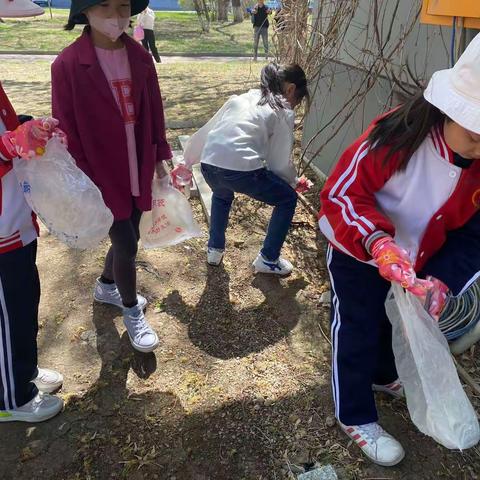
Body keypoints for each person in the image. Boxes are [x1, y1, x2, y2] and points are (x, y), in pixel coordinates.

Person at [319, 33, 480, 466]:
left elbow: (473, 236)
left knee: (394, 321)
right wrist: (378, 242)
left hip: (417, 260)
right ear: (448, 109)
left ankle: (382, 375)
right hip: (358, 248)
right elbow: (342, 195)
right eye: (475, 132)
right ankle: (354, 413)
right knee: (356, 324)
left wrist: (442, 280)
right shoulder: (398, 136)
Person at [52, 0, 172, 353]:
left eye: (122, 6)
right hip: (100, 168)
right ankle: (132, 310)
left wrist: (160, 158)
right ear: (84, 11)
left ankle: (107, 285)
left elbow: (155, 109)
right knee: (125, 242)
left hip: (137, 158)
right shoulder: (68, 64)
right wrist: (82, 178)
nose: (115, 16)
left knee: (130, 230)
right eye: (104, 6)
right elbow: (66, 126)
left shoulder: (139, 57)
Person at [179, 63, 309, 275]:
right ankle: (268, 258)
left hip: (209, 165)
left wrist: (187, 161)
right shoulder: (282, 109)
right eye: (298, 100)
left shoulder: (238, 99)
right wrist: (293, 183)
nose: (295, 104)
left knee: (221, 196)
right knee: (287, 199)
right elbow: (279, 163)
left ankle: (214, 250)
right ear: (291, 89)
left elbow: (207, 131)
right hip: (241, 170)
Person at [0, 0, 65, 423]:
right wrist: (15, 142)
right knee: (7, 316)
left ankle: (23, 370)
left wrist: (24, 126)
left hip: (15, 220)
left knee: (25, 302)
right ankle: (11, 398)